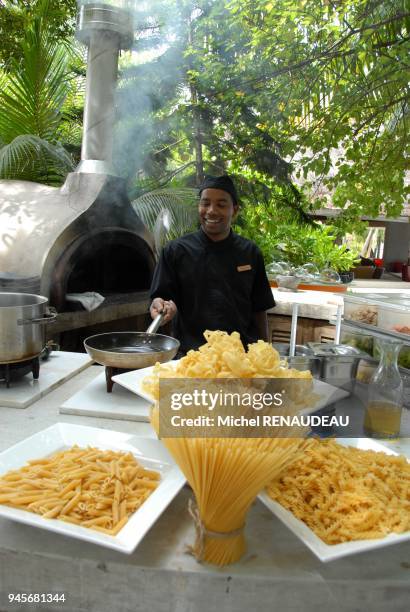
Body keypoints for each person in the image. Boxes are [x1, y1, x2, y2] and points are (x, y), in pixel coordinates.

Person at [149, 174, 275, 355]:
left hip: (241, 357)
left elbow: (259, 309)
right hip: (191, 356)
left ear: (235, 210)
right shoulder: (176, 251)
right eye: (205, 203)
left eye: (221, 205)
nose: (211, 211)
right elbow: (161, 299)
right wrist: (160, 306)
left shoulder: (250, 252)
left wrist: (266, 351)